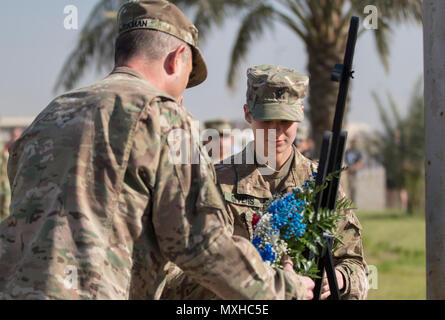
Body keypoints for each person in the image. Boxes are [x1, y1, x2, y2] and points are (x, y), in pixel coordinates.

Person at [0, 1, 309, 300]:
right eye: (187, 79)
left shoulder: (51, 114)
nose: (183, 95)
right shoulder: (162, 115)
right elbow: (201, 243)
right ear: (177, 58)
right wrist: (285, 289)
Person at [161, 65, 368, 300]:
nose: (276, 131)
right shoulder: (216, 181)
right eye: (267, 119)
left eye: (285, 120)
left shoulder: (320, 183)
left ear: (300, 114)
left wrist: (339, 280)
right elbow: (174, 273)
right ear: (248, 114)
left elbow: (355, 265)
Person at [0, 127, 23, 221]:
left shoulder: (24, 148)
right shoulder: (5, 148)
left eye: (17, 136)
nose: (15, 138)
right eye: (13, 136)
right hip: (5, 180)